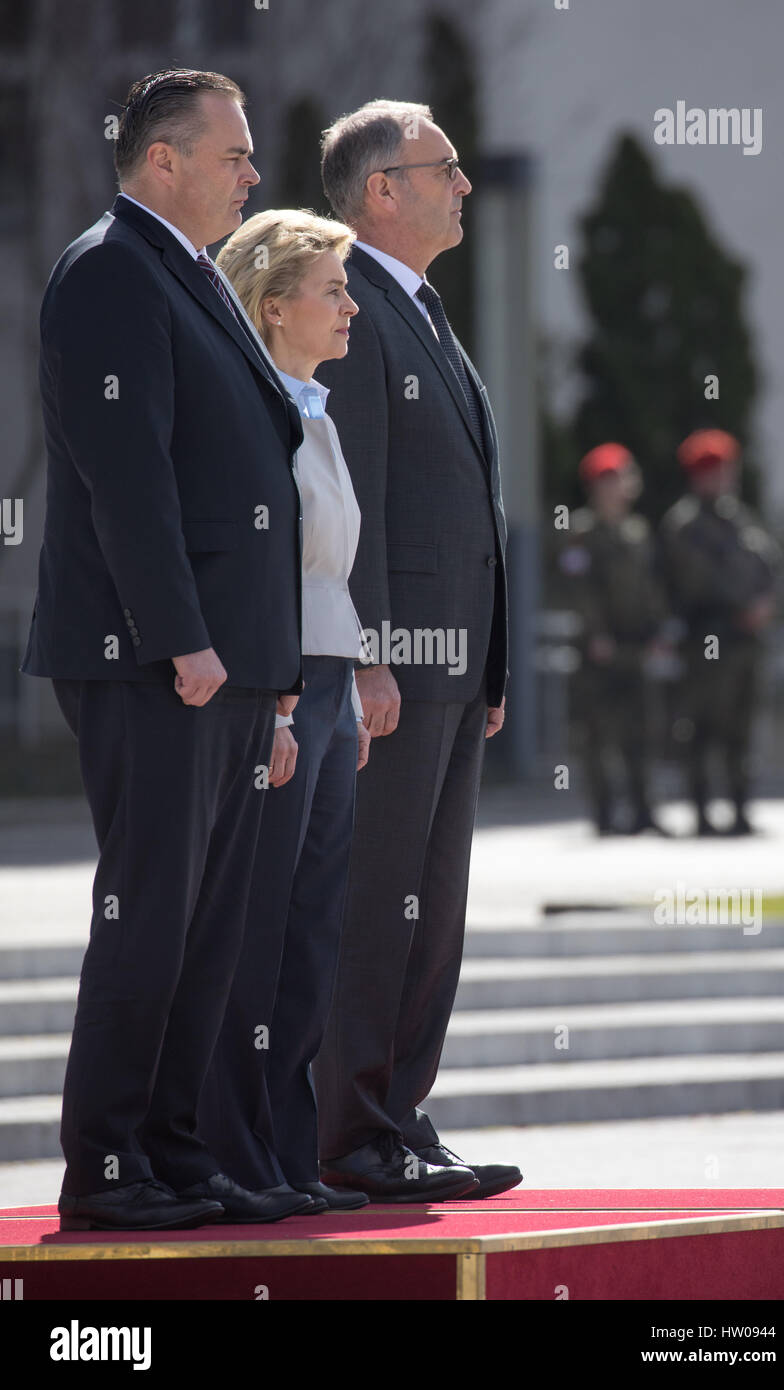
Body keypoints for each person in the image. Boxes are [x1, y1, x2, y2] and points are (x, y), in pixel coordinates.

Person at [21, 69, 315, 1230]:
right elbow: (123, 477)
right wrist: (183, 638)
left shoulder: (186, 272)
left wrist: (266, 672)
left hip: (229, 665)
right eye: (233, 154)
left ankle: (180, 1156)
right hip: (158, 662)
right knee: (150, 911)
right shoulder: (110, 270)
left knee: (211, 920)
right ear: (161, 162)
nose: (252, 173)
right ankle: (108, 1169)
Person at [311, 100, 521, 1202]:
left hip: (451, 669)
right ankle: (345, 1133)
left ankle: (398, 1116)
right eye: (444, 167)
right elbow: (359, 505)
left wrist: (487, 667)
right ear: (382, 189)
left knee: (431, 909)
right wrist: (367, 656)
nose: (463, 185)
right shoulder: (352, 309)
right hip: (395, 671)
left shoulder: (421, 308)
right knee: (379, 898)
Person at [197, 209, 379, 1211]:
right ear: (274, 306)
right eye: (333, 290)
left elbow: (327, 571)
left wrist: (346, 680)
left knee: (310, 927)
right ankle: (232, 1153)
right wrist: (274, 699)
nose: (351, 305)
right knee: (255, 927)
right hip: (277, 681)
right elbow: (257, 572)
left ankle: (288, 1154)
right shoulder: (251, 405)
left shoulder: (317, 407)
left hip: (326, 678)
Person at [658, 429, 780, 835]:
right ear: (697, 476)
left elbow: (767, 564)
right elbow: (696, 581)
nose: (722, 479)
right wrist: (742, 606)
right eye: (713, 471)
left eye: (726, 470)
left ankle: (741, 810)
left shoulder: (739, 518)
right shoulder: (684, 524)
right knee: (702, 727)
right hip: (708, 641)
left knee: (741, 728)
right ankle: (702, 812)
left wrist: (763, 602)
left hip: (746, 642)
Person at [556, 443, 670, 835]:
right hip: (599, 650)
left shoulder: (637, 532)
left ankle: (643, 811)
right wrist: (597, 635)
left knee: (641, 729)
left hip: (636, 645)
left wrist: (658, 631)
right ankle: (605, 814)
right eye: (609, 481)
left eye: (621, 478)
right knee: (598, 733)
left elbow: (650, 588)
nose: (618, 487)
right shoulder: (581, 533)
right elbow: (579, 590)